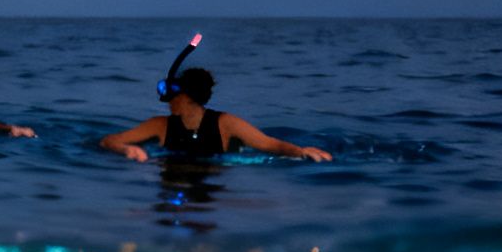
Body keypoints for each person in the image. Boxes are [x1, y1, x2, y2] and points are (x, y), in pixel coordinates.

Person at [101, 66, 331, 162]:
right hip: (171, 182)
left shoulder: (225, 123)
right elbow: (109, 140)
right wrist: (125, 148)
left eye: (174, 96)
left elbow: (269, 144)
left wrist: (300, 152)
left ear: (187, 97)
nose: (169, 101)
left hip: (211, 187)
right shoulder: (159, 125)